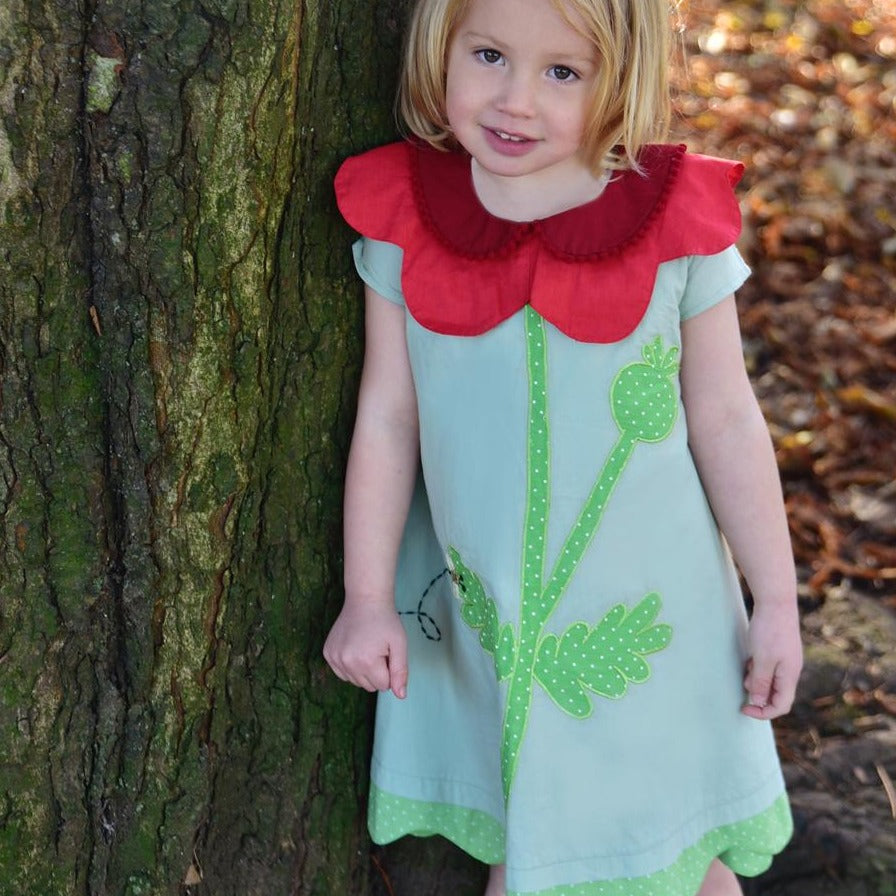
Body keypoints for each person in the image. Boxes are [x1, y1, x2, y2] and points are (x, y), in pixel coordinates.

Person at [323, 0, 803, 893]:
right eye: (490, 54)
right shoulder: (405, 216)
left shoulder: (674, 220)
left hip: (661, 626)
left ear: (620, 75)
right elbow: (389, 415)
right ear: (442, 42)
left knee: (689, 862)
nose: (515, 101)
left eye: (561, 73)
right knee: (535, 848)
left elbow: (726, 415)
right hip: (499, 626)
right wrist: (365, 596)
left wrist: (774, 597)